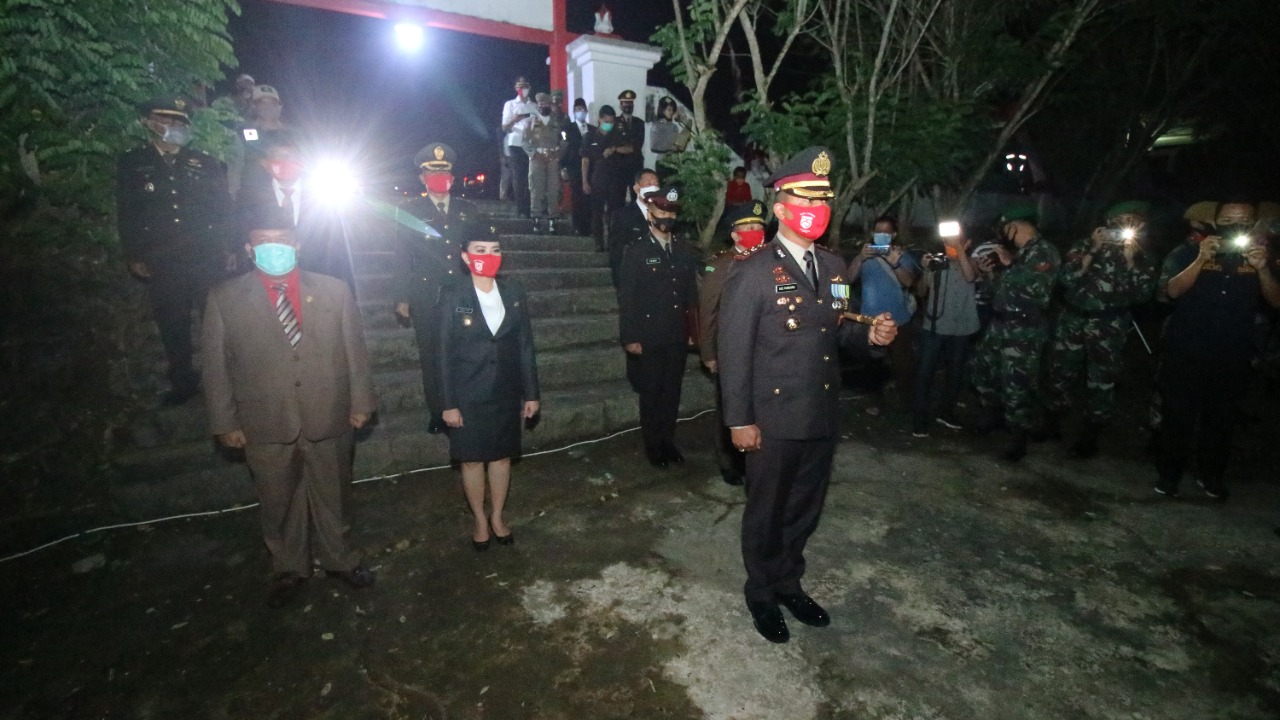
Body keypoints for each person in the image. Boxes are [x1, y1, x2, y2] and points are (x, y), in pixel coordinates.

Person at [718, 147, 898, 644]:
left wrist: (872, 339)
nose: (816, 207)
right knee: (767, 510)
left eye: (824, 198)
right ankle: (761, 590)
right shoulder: (753, 271)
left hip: (820, 412)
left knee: (804, 508)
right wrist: (739, 420)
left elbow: (838, 331)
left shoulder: (836, 267)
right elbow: (732, 352)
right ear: (780, 206)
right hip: (771, 419)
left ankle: (789, 582)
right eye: (806, 197)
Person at [201, 212, 377, 608]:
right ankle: (289, 566)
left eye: (282, 240)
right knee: (278, 498)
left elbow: (354, 351)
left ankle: (341, 559)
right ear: (249, 250)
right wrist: (224, 421)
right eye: (263, 242)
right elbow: (215, 367)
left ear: (297, 245)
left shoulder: (334, 291)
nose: (273, 248)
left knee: (335, 493)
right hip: (264, 418)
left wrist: (362, 400)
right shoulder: (225, 298)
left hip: (328, 410)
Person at [1154, 199, 1280, 499]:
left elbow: (1276, 302)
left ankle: (1210, 476)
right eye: (1227, 219)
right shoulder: (1189, 250)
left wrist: (1263, 269)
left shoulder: (1264, 258)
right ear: (1216, 220)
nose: (1234, 225)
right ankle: (1169, 476)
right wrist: (1200, 259)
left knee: (1221, 421)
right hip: (1185, 351)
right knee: (1177, 418)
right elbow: (1170, 292)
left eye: (1242, 220)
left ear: (1252, 224)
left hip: (1232, 355)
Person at [116, 95, 230, 406]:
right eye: (164, 120)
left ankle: (222, 379)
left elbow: (221, 209)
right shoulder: (132, 163)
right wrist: (134, 254)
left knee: (214, 320)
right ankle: (183, 381)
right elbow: (127, 212)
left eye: (178, 122)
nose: (172, 126)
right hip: (162, 258)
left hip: (204, 254)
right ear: (148, 122)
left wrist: (228, 247)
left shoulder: (205, 163)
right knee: (172, 322)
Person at [437, 223, 541, 550]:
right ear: (466, 257)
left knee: (500, 458)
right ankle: (479, 520)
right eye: (480, 250)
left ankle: (497, 516)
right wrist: (447, 402)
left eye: (495, 250)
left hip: (505, 391)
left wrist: (531, 393)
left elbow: (525, 345)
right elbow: (441, 352)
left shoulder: (513, 293)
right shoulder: (453, 294)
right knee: (471, 460)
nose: (488, 256)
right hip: (467, 393)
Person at [1043, 200, 1158, 458]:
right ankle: (1051, 423)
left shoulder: (1143, 256)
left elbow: (1143, 296)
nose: (1128, 226)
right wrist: (1092, 251)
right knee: (1060, 372)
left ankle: (1091, 434)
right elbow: (1065, 279)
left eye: (1135, 221)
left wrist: (1131, 263)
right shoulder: (1084, 245)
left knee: (1102, 382)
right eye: (1123, 220)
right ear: (1109, 222)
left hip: (1109, 325)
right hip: (1074, 318)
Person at [393, 142, 477, 434]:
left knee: (465, 348)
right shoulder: (409, 210)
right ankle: (438, 410)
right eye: (433, 174)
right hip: (426, 294)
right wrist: (402, 297)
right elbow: (402, 256)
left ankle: (464, 403)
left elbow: (482, 251)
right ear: (422, 178)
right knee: (431, 353)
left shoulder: (469, 210)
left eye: (445, 174)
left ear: (453, 178)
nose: (440, 179)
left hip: (463, 292)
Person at [970, 202, 1061, 462]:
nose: (1002, 234)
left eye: (1005, 228)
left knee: (1017, 384)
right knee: (982, 369)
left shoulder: (1044, 252)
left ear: (1015, 227)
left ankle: (1018, 436)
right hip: (1000, 324)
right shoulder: (1020, 253)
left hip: (1024, 330)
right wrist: (990, 275)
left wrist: (1010, 265)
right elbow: (1002, 291)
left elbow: (1036, 291)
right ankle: (994, 414)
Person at [617, 187, 700, 468]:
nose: (667, 217)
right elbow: (627, 298)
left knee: (671, 393)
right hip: (649, 336)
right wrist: (630, 337)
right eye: (662, 212)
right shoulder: (637, 251)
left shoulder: (684, 249)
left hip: (676, 334)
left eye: (671, 212)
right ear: (650, 214)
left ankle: (668, 442)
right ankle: (654, 446)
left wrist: (694, 331)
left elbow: (690, 295)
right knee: (652, 393)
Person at [698, 200, 768, 485]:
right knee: (730, 408)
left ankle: (759, 458)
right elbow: (708, 312)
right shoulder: (721, 266)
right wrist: (709, 353)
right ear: (735, 235)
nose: (755, 232)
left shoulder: (771, 262)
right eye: (748, 228)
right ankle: (729, 462)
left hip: (764, 351)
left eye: (759, 228)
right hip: (730, 352)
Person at [236, 132, 354, 290]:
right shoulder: (251, 197)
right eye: (277, 156)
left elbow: (338, 244)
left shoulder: (324, 196)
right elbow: (245, 237)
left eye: (291, 156)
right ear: (265, 163)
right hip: (268, 282)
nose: (285, 162)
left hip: (319, 279)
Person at [846, 215, 921, 415]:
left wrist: (895, 263)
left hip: (899, 320)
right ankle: (876, 402)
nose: (881, 235)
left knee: (904, 364)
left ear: (894, 234)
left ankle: (910, 403)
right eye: (878, 231)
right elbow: (848, 278)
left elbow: (909, 282)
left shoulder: (902, 255)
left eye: (886, 232)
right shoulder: (866, 255)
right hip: (870, 321)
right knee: (872, 365)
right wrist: (860, 258)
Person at [910, 223, 980, 437]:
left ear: (967, 243)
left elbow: (970, 276)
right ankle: (920, 418)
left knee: (955, 374)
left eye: (956, 239)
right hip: (934, 326)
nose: (948, 243)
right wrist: (925, 270)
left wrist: (958, 250)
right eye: (947, 240)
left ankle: (946, 412)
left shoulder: (973, 261)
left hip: (962, 327)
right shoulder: (937, 261)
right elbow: (921, 291)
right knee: (925, 373)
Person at [228, 84, 290, 201]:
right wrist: (233, 194)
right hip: (252, 199)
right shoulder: (242, 132)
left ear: (280, 106)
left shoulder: (294, 135)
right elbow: (235, 166)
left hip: (288, 196)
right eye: (262, 103)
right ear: (254, 106)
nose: (268, 107)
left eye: (272, 103)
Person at [608, 168, 661, 285]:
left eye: (656, 185)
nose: (654, 188)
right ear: (637, 188)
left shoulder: (665, 216)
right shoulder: (622, 215)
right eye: (649, 184)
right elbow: (617, 253)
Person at [524, 92, 566, 234]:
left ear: (550, 105)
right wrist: (533, 154)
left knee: (553, 189)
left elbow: (565, 141)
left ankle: (552, 220)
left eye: (545, 103)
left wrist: (559, 154)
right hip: (537, 158)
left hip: (553, 158)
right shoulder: (531, 121)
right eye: (540, 103)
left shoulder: (557, 122)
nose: (542, 105)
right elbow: (524, 141)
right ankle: (536, 220)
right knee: (536, 189)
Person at [500, 77, 537, 218]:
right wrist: (514, 120)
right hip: (515, 144)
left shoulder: (534, 106)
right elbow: (504, 127)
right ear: (516, 88)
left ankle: (532, 208)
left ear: (529, 88)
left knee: (531, 177)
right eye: (520, 86)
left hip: (531, 145)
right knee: (519, 177)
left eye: (525, 86)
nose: (523, 89)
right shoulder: (510, 104)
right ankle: (522, 209)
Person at [562, 98, 593, 236]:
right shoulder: (568, 129)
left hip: (590, 169)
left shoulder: (593, 129)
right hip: (574, 167)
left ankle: (588, 227)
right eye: (577, 110)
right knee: (576, 198)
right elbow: (564, 149)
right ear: (574, 112)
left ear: (586, 111)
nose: (580, 112)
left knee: (588, 198)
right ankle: (577, 226)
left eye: (582, 109)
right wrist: (563, 167)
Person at [612, 89, 646, 194]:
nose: (628, 105)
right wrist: (618, 148)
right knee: (618, 197)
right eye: (625, 103)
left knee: (637, 197)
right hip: (619, 166)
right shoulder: (614, 122)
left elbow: (637, 145)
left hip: (635, 166)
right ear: (620, 105)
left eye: (630, 103)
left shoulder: (639, 123)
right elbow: (608, 139)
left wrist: (618, 148)